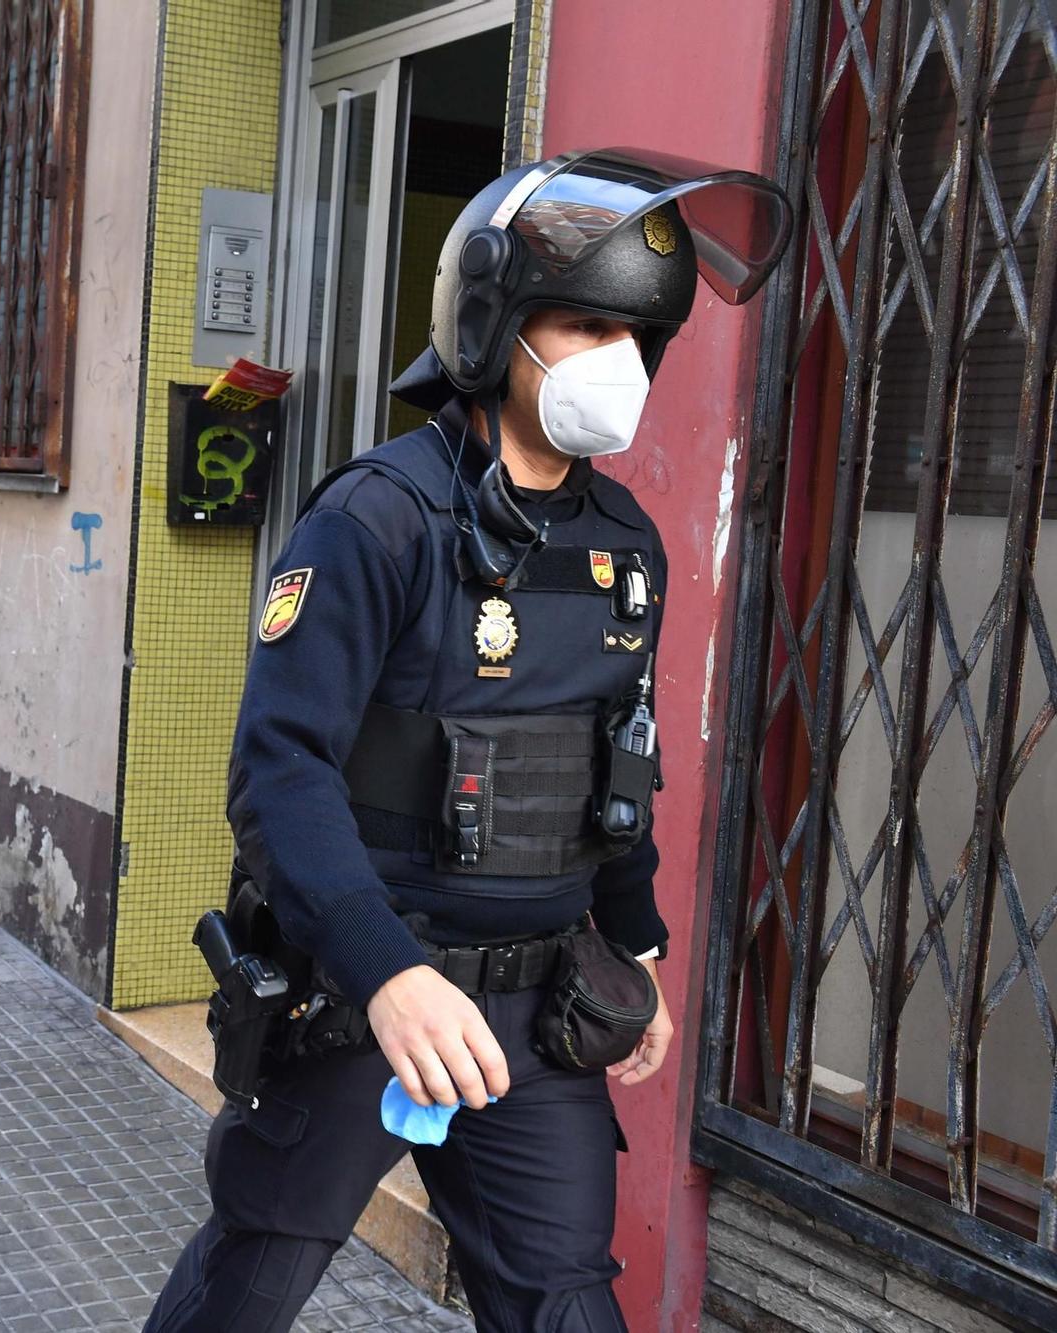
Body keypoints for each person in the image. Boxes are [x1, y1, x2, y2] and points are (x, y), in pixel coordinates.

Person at [144, 150, 791, 1332]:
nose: (614, 360)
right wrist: (383, 972)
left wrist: (635, 949)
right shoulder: (375, 520)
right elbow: (277, 772)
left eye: (633, 335)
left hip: (538, 1005)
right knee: (252, 1277)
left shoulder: (622, 545)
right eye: (582, 322)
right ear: (493, 323)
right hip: (369, 991)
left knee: (562, 1304)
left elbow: (620, 763)